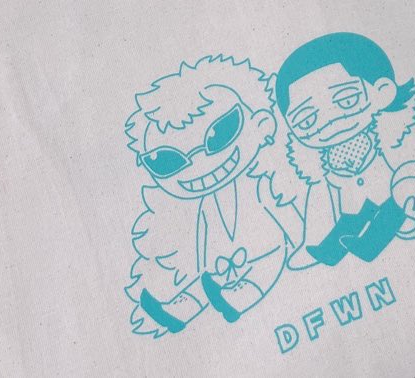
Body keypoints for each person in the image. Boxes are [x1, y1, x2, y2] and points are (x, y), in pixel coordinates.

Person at [124, 55, 305, 337]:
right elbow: (203, 236)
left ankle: (241, 298)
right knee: (204, 287)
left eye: (220, 133)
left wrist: (301, 244)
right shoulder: (205, 203)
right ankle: (179, 310)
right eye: (167, 161)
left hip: (270, 253)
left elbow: (282, 210)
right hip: (219, 268)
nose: (199, 163)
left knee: (262, 273)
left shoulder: (258, 183)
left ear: (262, 123)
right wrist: (200, 265)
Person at [276, 33, 415, 268]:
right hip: (352, 217)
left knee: (411, 178)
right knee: (347, 217)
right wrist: (311, 242)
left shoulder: (400, 130)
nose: (329, 122)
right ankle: (332, 248)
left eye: (347, 100)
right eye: (306, 120)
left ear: (382, 92)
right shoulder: (321, 168)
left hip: (404, 202)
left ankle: (377, 237)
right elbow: (319, 204)